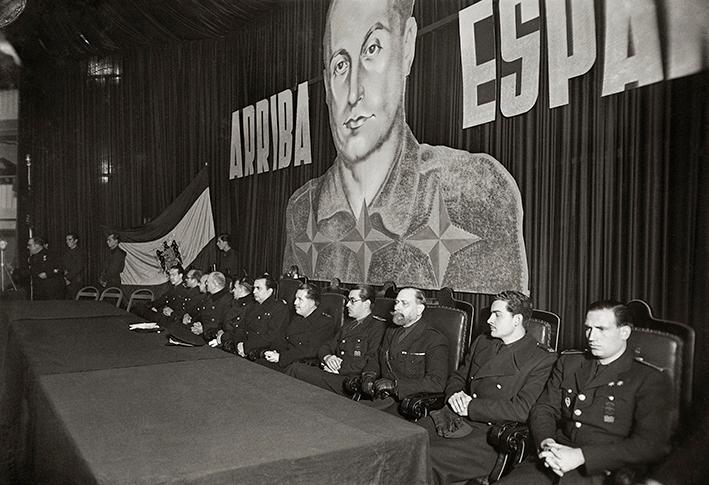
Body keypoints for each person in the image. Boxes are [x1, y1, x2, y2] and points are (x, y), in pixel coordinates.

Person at [283, 0, 527, 294]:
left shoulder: (472, 190)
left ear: (407, 45)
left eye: (372, 49)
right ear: (325, 84)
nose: (353, 93)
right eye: (340, 65)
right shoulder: (303, 209)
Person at [497, 301, 672, 485]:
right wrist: (546, 443)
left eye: (601, 329)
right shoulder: (570, 362)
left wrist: (581, 456)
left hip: (602, 470)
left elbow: (649, 445)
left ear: (624, 332)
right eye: (588, 328)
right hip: (552, 459)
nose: (591, 336)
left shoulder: (647, 377)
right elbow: (544, 408)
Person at [420, 291, 557, 484]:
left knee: (424, 460)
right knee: (405, 440)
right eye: (491, 313)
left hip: (490, 435)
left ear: (517, 319)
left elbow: (522, 409)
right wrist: (455, 394)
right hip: (453, 418)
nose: (490, 320)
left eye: (497, 315)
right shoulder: (483, 342)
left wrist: (471, 407)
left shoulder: (541, 359)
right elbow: (459, 375)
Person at [354, 287, 448, 415]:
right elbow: (377, 358)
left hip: (408, 405)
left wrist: (396, 386)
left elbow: (436, 383)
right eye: (397, 302)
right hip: (383, 399)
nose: (397, 307)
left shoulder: (434, 339)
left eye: (404, 303)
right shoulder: (391, 331)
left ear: (419, 309)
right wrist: (369, 375)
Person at [287, 284, 385, 394]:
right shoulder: (349, 325)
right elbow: (326, 346)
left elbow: (371, 360)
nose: (347, 304)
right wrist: (328, 358)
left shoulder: (377, 327)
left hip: (352, 382)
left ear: (366, 304)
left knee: (296, 369)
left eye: (353, 301)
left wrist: (339, 368)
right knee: (296, 370)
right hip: (335, 374)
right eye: (348, 300)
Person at [256, 283, 337, 370]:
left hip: (300, 365)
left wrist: (281, 357)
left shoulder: (325, 323)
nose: (295, 302)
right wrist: (275, 351)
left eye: (300, 299)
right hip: (286, 360)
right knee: (257, 365)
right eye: (295, 298)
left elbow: (310, 350)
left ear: (312, 302)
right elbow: (283, 337)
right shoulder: (297, 318)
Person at [235, 275, 290, 359]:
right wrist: (239, 343)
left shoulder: (279, 308)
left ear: (270, 291)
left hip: (263, 352)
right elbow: (241, 327)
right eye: (254, 288)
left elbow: (271, 337)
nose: (254, 292)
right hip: (244, 349)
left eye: (258, 288)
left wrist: (246, 346)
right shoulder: (251, 306)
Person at [189, 272, 233, 341]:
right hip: (201, 334)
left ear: (215, 284)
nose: (206, 284)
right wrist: (197, 323)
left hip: (213, 338)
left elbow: (224, 325)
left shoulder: (228, 301)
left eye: (207, 282)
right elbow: (201, 314)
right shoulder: (208, 297)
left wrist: (204, 329)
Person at [220, 277, 256, 353]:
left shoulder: (249, 307)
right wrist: (220, 331)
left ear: (241, 289)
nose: (233, 291)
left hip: (234, 345)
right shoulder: (234, 302)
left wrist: (223, 336)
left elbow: (236, 329)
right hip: (225, 340)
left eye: (235, 288)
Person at [62, 232, 86, 298]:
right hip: (66, 280)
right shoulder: (66, 252)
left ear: (75, 241)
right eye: (66, 240)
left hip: (75, 281)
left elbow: (78, 267)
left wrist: (68, 278)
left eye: (70, 240)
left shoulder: (80, 252)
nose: (67, 242)